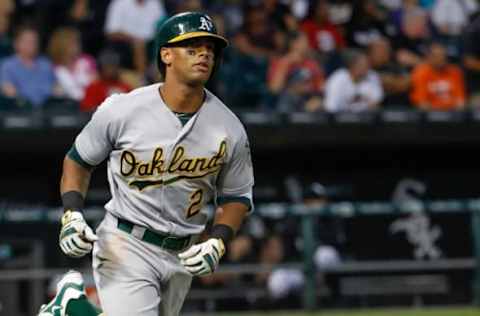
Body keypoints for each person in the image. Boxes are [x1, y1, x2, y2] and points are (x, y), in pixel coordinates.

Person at [38, 12, 254, 316]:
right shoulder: (123, 109)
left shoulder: (229, 127)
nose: (204, 54)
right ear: (166, 54)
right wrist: (71, 214)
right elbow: (78, 161)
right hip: (126, 240)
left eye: (209, 49)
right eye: (192, 48)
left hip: (183, 251)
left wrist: (218, 241)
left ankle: (72, 308)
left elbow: (237, 196)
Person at [0, 25, 58, 107]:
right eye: (28, 41)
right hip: (20, 111)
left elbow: (56, 88)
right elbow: (9, 90)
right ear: (16, 44)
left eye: (34, 41)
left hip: (47, 110)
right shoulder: (7, 66)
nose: (32, 45)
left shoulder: (45, 64)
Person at [410, 41, 465, 111]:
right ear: (429, 57)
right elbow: (422, 102)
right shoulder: (421, 73)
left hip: (453, 113)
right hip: (430, 115)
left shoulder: (455, 72)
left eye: (443, 56)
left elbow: (460, 100)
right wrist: (438, 114)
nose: (442, 59)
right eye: (438, 56)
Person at [48, 27, 98, 101]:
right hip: (67, 107)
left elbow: (97, 83)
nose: (76, 46)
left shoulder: (87, 61)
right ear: (61, 45)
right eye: (72, 43)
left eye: (77, 42)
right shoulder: (53, 68)